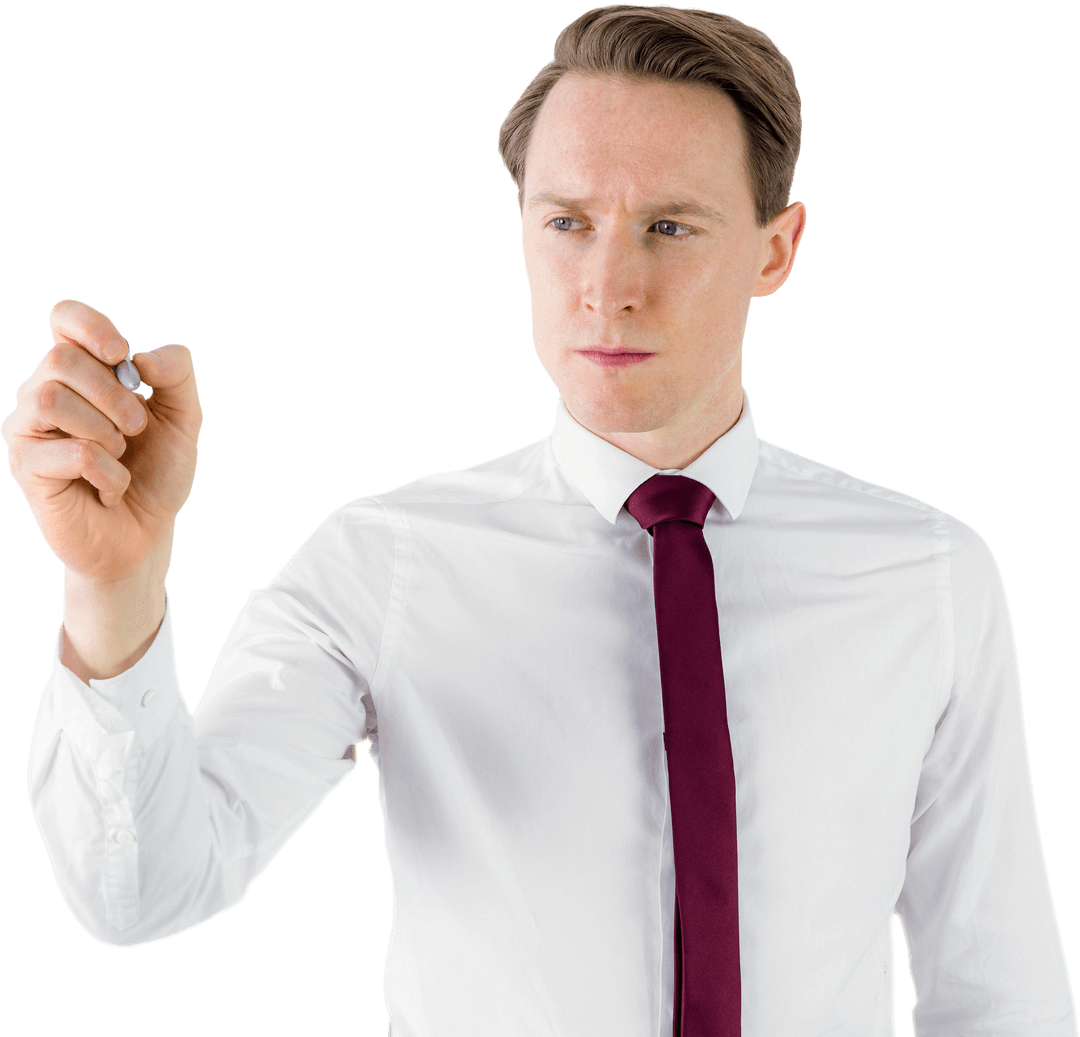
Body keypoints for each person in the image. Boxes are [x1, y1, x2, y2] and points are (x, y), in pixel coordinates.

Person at [4, 3, 1077, 1034]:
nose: (608, 286)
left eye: (669, 226)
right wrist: (115, 585)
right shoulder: (385, 563)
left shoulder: (927, 574)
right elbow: (144, 892)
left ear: (775, 250)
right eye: (568, 223)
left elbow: (1001, 997)